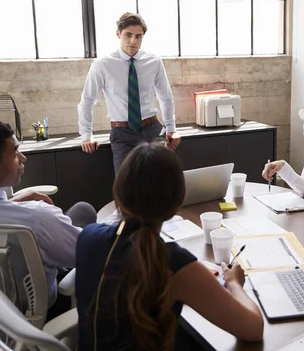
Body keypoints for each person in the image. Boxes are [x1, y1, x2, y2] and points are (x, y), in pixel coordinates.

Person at [76, 143, 264, 350]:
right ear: (176, 204)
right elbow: (253, 329)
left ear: (118, 193)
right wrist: (234, 282)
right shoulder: (175, 265)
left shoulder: (87, 237)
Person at [0, 120, 97, 308]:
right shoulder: (38, 218)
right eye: (14, 153)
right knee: (84, 213)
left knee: (79, 212)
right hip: (32, 315)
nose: (23, 158)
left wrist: (12, 203)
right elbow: (91, 255)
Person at [78, 12, 181, 174]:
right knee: (125, 185)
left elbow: (165, 97)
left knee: (162, 181)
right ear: (118, 34)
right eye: (128, 35)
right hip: (122, 135)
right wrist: (86, 135)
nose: (133, 41)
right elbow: (87, 101)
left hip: (153, 130)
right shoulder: (102, 65)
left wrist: (171, 128)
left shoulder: (154, 61)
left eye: (138, 36)